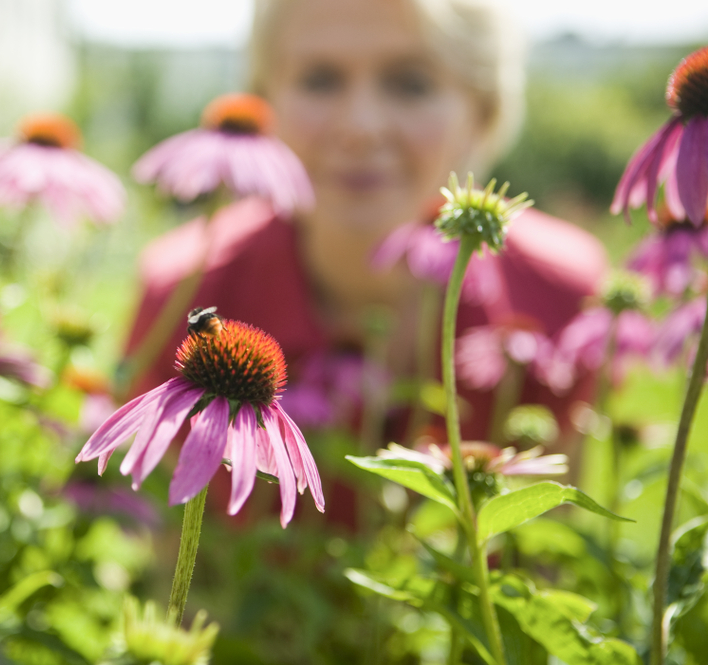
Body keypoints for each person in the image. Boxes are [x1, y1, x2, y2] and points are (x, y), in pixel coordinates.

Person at [124, 0, 606, 468]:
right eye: (320, 80)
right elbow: (166, 532)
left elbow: (554, 541)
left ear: (481, 113)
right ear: (263, 102)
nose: (360, 127)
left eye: (410, 84)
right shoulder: (182, 292)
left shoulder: (564, 298)